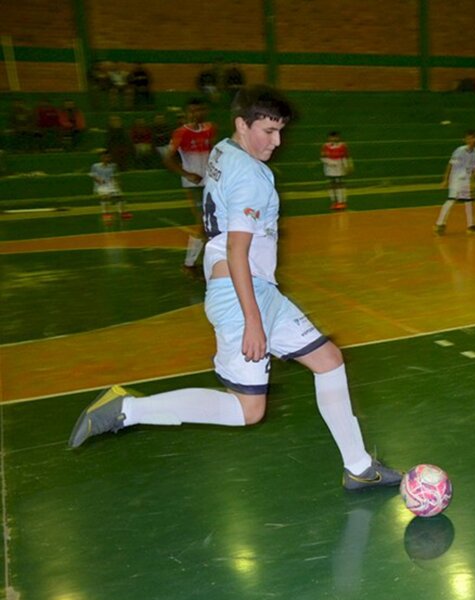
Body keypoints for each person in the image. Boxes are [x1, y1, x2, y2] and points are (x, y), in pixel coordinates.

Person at [68, 85, 403, 492]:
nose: (276, 142)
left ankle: (358, 466)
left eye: (280, 132)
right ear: (242, 123)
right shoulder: (252, 177)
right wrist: (253, 322)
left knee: (329, 360)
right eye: (267, 131)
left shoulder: (224, 150)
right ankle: (127, 409)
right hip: (242, 294)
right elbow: (238, 249)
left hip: (259, 288)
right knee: (248, 410)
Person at [164, 99, 217, 271]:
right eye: (192, 111)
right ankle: (189, 264)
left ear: (204, 111)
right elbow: (167, 159)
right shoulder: (181, 133)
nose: (196, 114)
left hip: (210, 182)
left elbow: (215, 152)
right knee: (203, 222)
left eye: (199, 110)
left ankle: (204, 261)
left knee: (214, 222)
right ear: (187, 113)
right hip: (193, 184)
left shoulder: (210, 129)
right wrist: (186, 174)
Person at [434, 130, 475, 235]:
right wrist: (445, 180)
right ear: (465, 140)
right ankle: (439, 224)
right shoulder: (459, 151)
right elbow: (450, 165)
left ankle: (471, 226)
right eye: (469, 138)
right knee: (451, 200)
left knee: (469, 201)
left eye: (474, 138)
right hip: (456, 179)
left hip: (467, 180)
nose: (472, 140)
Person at [89, 149, 130, 224]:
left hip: (111, 184)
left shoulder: (113, 166)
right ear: (102, 158)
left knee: (119, 198)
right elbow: (93, 175)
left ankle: (122, 212)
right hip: (101, 186)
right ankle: (106, 213)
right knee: (105, 198)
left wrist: (117, 184)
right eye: (105, 157)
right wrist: (99, 181)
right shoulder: (95, 166)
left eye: (108, 157)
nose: (107, 158)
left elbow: (115, 176)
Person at [320, 130, 352, 210]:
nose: (333, 138)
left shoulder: (342, 145)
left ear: (338, 137)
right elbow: (323, 157)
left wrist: (348, 165)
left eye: (335, 137)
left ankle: (342, 201)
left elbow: (346, 156)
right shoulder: (326, 146)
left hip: (339, 166)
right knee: (332, 183)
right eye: (332, 137)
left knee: (340, 183)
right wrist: (330, 162)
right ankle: (333, 201)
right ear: (329, 138)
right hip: (329, 167)